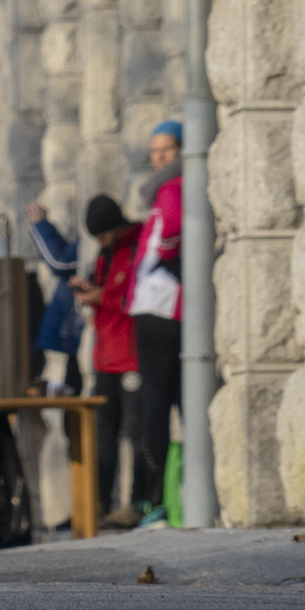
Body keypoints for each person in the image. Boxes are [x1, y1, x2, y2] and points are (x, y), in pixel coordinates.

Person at [126, 121, 186, 528]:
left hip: (159, 306)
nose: (160, 157)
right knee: (171, 400)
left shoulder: (171, 188)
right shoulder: (169, 187)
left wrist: (166, 252)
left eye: (167, 149)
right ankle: (172, 496)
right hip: (162, 306)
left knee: (155, 405)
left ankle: (154, 500)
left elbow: (172, 229)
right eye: (154, 150)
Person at [68, 195, 140, 528]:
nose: (102, 241)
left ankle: (137, 503)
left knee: (135, 433)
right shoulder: (104, 254)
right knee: (103, 436)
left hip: (131, 354)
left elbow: (135, 297)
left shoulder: (136, 244)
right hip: (105, 355)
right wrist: (89, 291)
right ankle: (100, 505)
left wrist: (104, 297)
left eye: (103, 234)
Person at [24, 200, 85, 395]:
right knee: (54, 386)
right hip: (63, 332)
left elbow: (59, 262)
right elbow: (67, 256)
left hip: (70, 331)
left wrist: (41, 225)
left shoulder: (91, 243)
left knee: (64, 388)